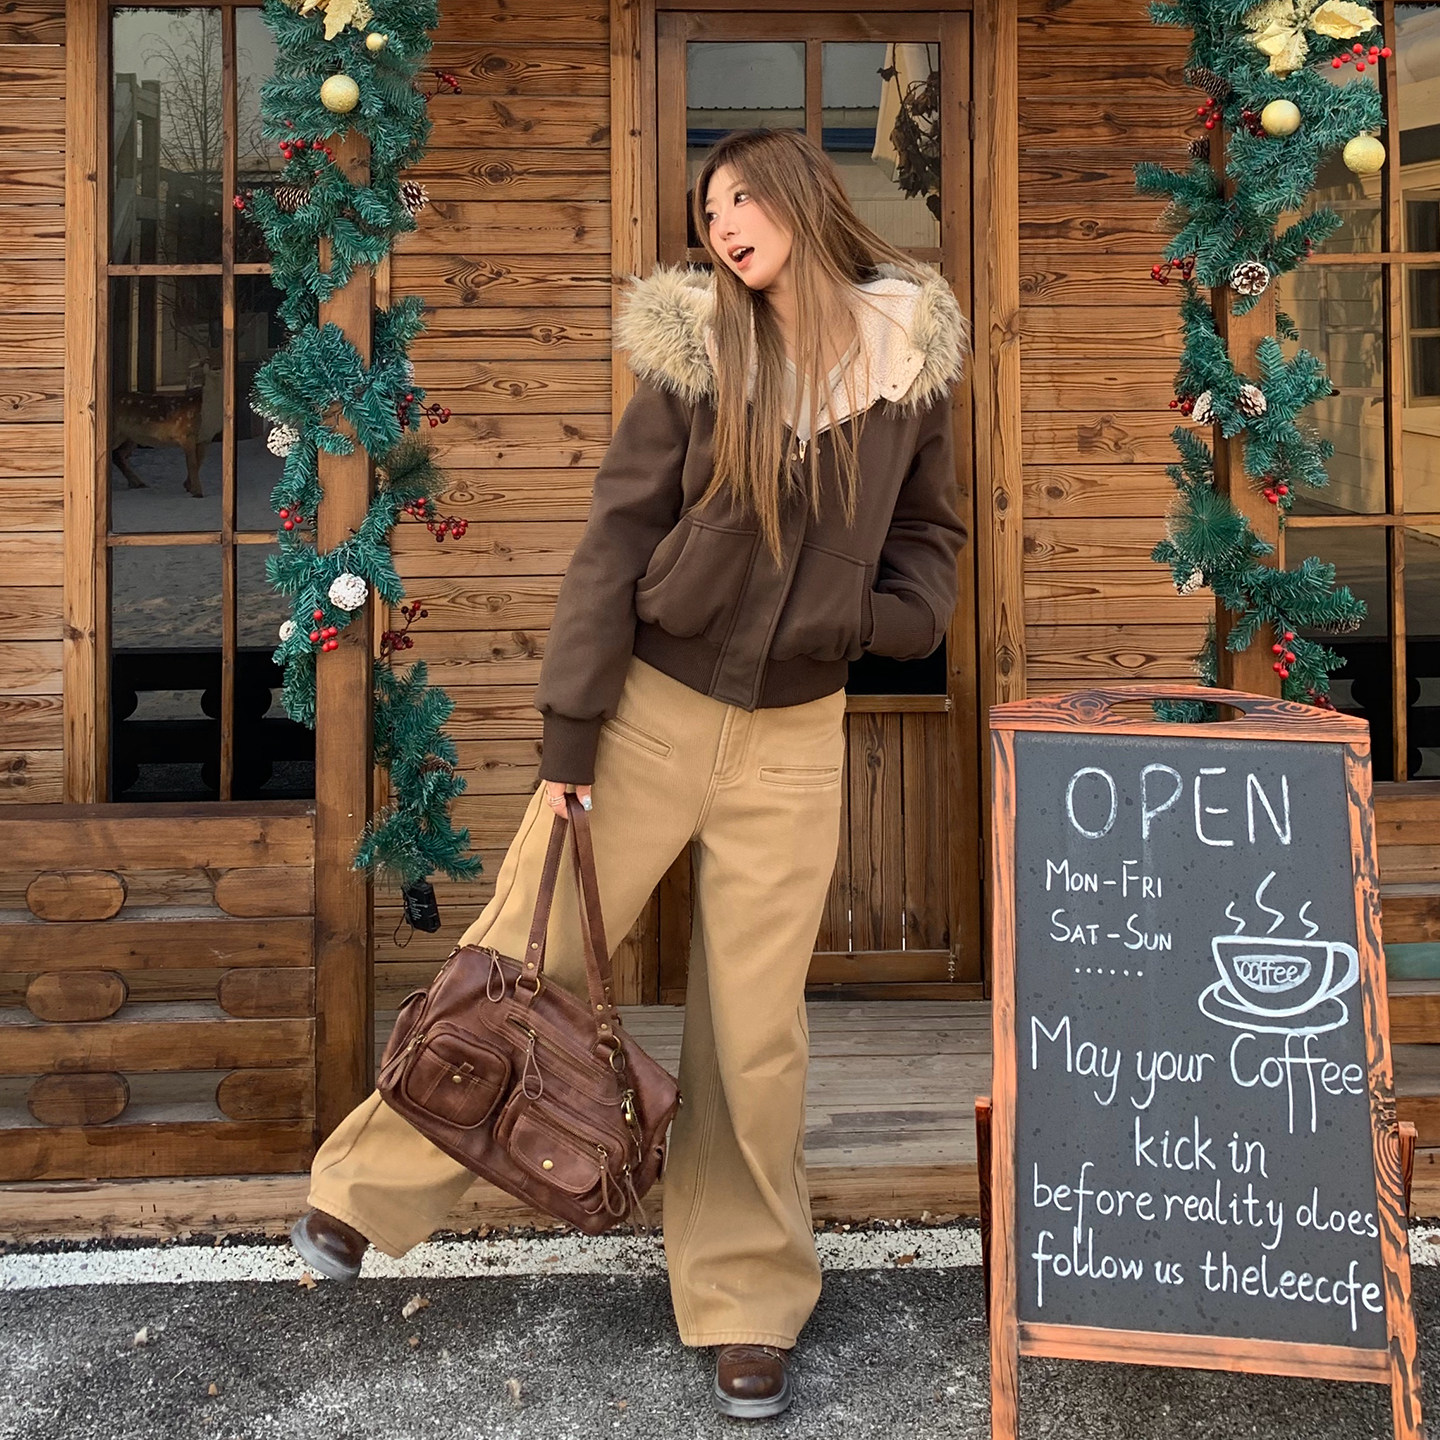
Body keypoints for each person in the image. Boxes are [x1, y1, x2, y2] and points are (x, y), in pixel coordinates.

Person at [289, 127, 968, 1420]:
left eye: (744, 197)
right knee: (523, 945)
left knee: (753, 1035)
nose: (723, 222)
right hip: (651, 712)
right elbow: (615, 541)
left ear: (809, 204)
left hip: (795, 741)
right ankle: (359, 1197)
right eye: (708, 207)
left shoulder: (909, 362)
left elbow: (932, 535)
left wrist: (887, 624)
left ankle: (748, 1304)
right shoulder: (700, 355)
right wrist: (568, 738)